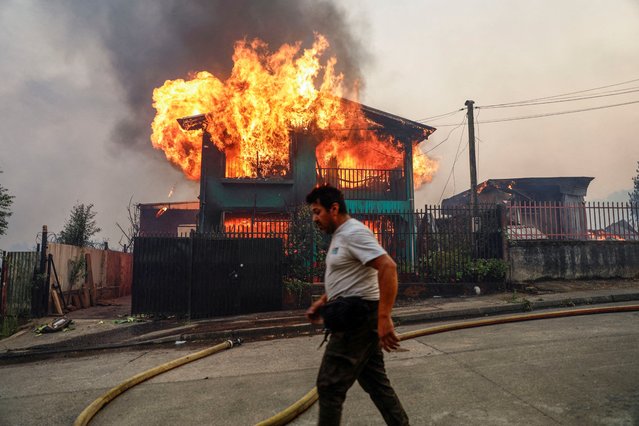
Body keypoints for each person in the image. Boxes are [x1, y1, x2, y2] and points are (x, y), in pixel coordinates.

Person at [305, 184, 409, 426]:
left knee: (329, 386)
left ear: (334, 208)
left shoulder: (353, 232)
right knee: (377, 385)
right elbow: (349, 278)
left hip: (357, 321)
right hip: (358, 316)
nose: (314, 218)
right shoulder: (340, 236)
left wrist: (384, 317)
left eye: (317, 212)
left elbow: (388, 267)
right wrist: (322, 302)